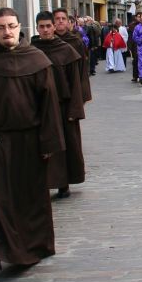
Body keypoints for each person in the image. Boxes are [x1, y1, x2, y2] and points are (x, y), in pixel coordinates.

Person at [0, 7, 64, 271]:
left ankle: (33, 247)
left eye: (11, 26)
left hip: (31, 141)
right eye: (1, 27)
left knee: (29, 197)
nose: (7, 32)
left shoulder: (37, 59)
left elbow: (49, 106)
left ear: (19, 27)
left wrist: (48, 144)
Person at [31, 11, 86, 199]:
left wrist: (75, 108)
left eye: (48, 26)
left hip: (63, 107)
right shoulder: (31, 51)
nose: (45, 30)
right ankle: (42, 183)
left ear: (53, 27)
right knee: (42, 146)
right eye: (42, 26)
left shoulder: (66, 50)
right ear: (37, 28)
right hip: (39, 108)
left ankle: (63, 183)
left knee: (64, 147)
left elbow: (76, 82)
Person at [54, 8, 91, 104]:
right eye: (57, 18)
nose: (60, 21)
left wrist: (83, 93)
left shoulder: (76, 42)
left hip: (73, 88)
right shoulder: (49, 42)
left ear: (68, 21)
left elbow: (83, 68)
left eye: (63, 18)